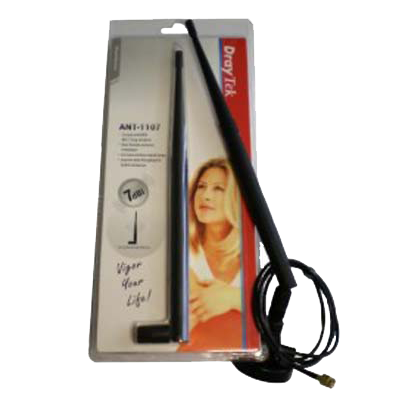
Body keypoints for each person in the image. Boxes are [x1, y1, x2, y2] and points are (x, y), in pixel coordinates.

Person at [178, 158, 242, 351]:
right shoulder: (183, 251)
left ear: (235, 198)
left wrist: (231, 297)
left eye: (218, 189)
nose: (205, 196)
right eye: (201, 186)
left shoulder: (252, 252)